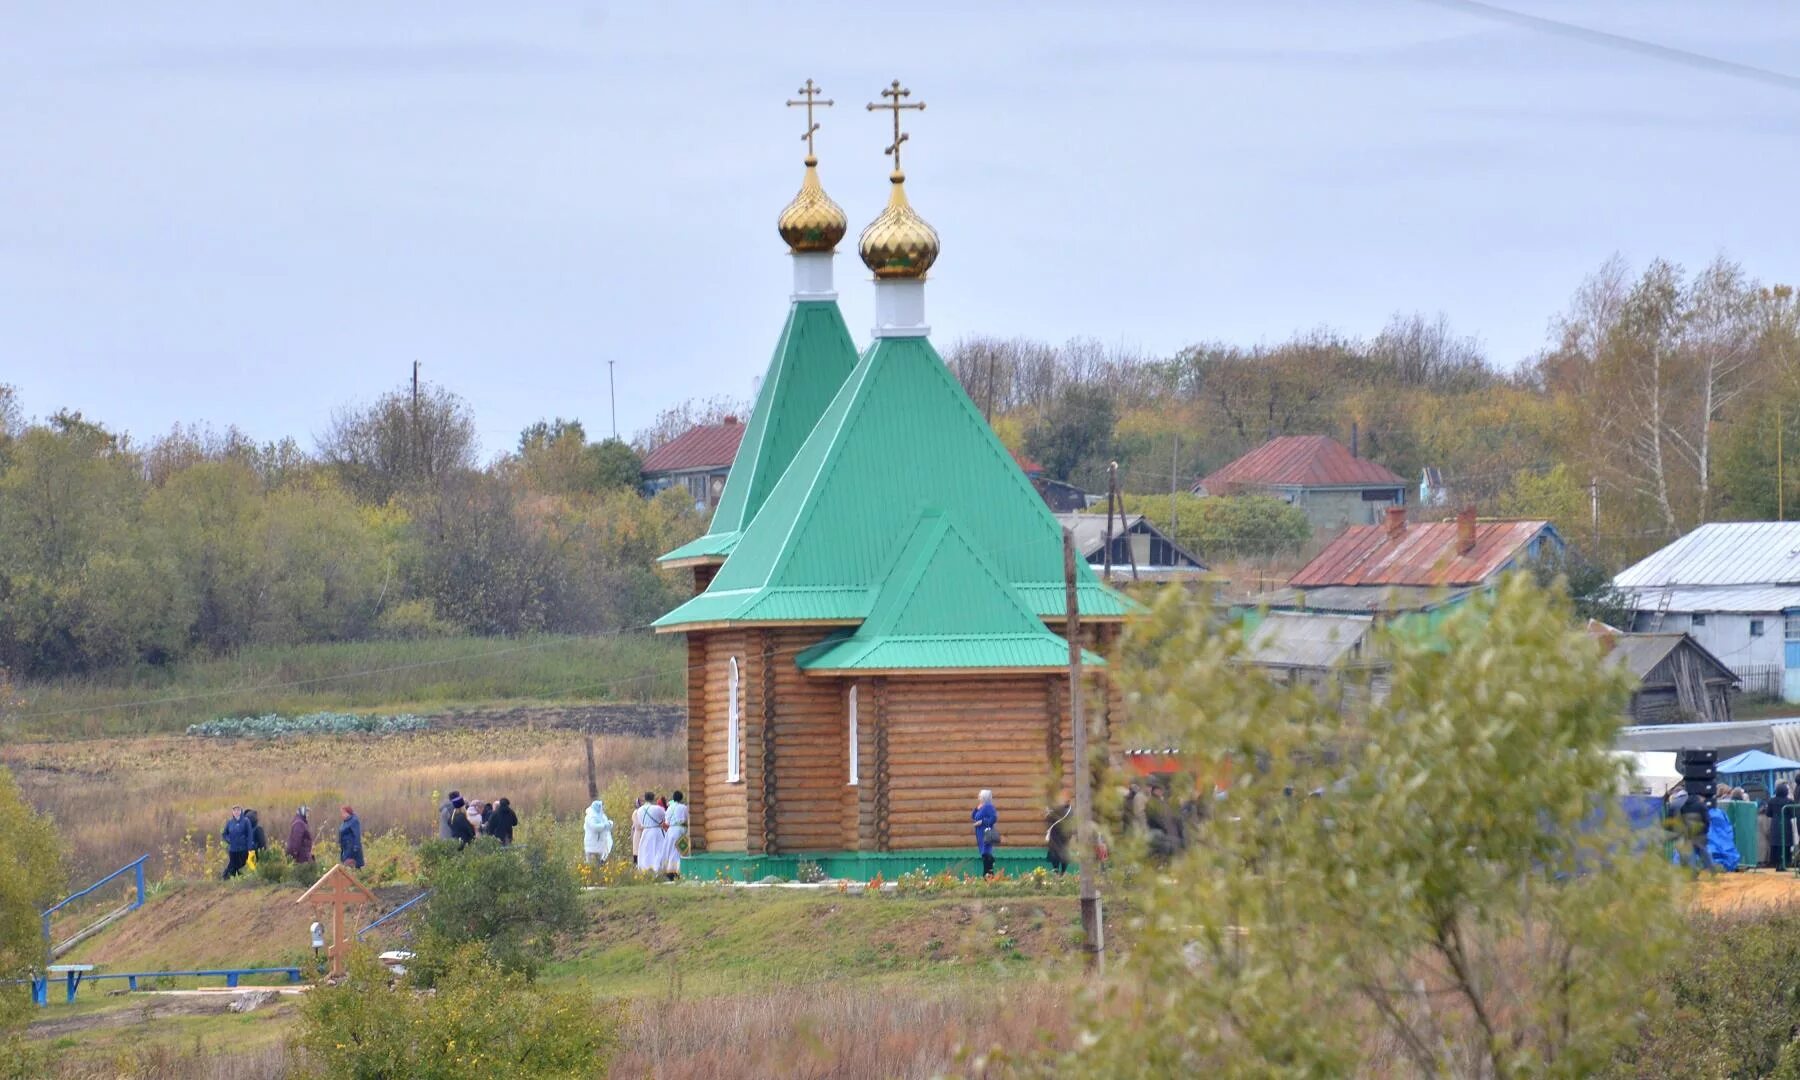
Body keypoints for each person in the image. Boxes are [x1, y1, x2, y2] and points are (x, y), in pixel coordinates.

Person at [635, 796, 668, 874]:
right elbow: (664, 817)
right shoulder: (657, 808)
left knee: (646, 851)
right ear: (653, 798)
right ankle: (657, 868)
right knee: (658, 850)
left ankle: (645, 869)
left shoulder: (639, 810)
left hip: (645, 831)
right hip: (656, 831)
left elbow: (640, 822)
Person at [1766, 783, 1796, 869]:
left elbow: (1768, 813)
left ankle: (1777, 863)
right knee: (1786, 843)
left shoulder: (1771, 801)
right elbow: (1793, 814)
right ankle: (1785, 863)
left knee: (1776, 844)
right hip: (1786, 823)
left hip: (1775, 823)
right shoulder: (1789, 801)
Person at [661, 791, 689, 880]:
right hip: (680, 830)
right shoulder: (683, 807)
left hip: (670, 831)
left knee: (670, 851)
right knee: (681, 851)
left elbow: (667, 821)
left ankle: (670, 871)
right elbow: (687, 819)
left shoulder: (669, 808)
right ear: (681, 798)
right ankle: (679, 870)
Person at [972, 789, 999, 877]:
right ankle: (989, 875)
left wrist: (982, 822)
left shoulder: (989, 806)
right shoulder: (982, 806)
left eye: (979, 795)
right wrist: (977, 808)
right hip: (980, 835)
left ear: (984, 797)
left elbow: (993, 818)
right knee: (984, 854)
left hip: (986, 834)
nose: (978, 797)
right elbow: (973, 816)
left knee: (986, 854)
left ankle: (987, 875)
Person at [221, 806, 253, 879]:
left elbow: (250, 834)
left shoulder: (246, 821)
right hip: (233, 849)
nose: (236, 812)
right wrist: (229, 840)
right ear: (232, 812)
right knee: (233, 865)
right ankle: (226, 878)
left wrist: (249, 847)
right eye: (235, 810)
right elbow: (224, 834)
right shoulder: (230, 822)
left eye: (238, 810)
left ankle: (237, 878)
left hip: (243, 848)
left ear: (241, 811)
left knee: (241, 865)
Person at [583, 798, 615, 865]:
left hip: (600, 845)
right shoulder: (590, 816)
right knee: (591, 864)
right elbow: (595, 827)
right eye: (602, 806)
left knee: (599, 864)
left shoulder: (602, 816)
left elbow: (607, 826)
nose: (603, 808)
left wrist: (610, 824)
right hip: (591, 845)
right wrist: (605, 825)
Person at [1045, 802, 1073, 874]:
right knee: (1057, 855)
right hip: (1057, 835)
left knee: (1061, 855)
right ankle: (1059, 873)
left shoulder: (1066, 809)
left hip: (1062, 835)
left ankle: (1060, 873)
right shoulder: (1069, 809)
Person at [630, 794, 649, 862]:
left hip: (643, 833)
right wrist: (646, 826)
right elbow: (637, 825)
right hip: (638, 833)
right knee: (637, 849)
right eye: (641, 802)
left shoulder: (643, 812)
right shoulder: (636, 812)